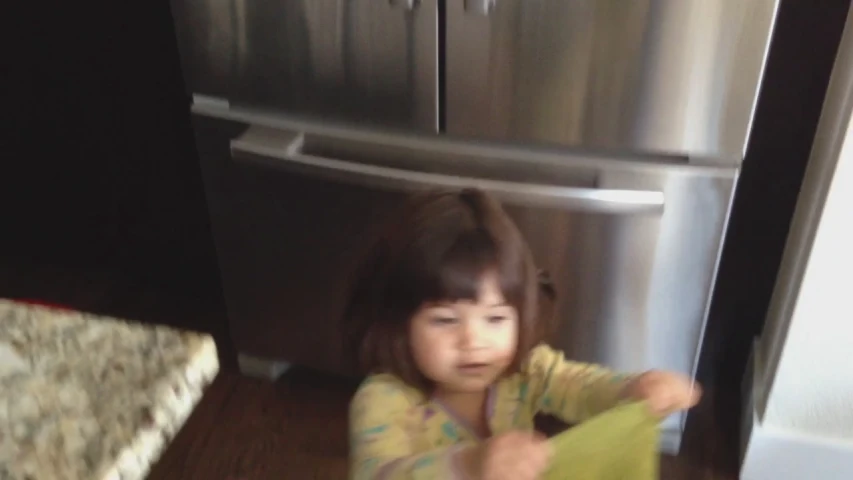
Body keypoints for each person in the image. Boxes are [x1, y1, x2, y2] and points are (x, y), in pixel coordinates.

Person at [343, 188, 701, 480]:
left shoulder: (526, 371)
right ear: (398, 321)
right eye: (445, 320)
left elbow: (579, 385)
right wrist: (466, 466)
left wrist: (634, 388)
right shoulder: (383, 400)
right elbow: (376, 474)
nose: (474, 341)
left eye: (496, 319)